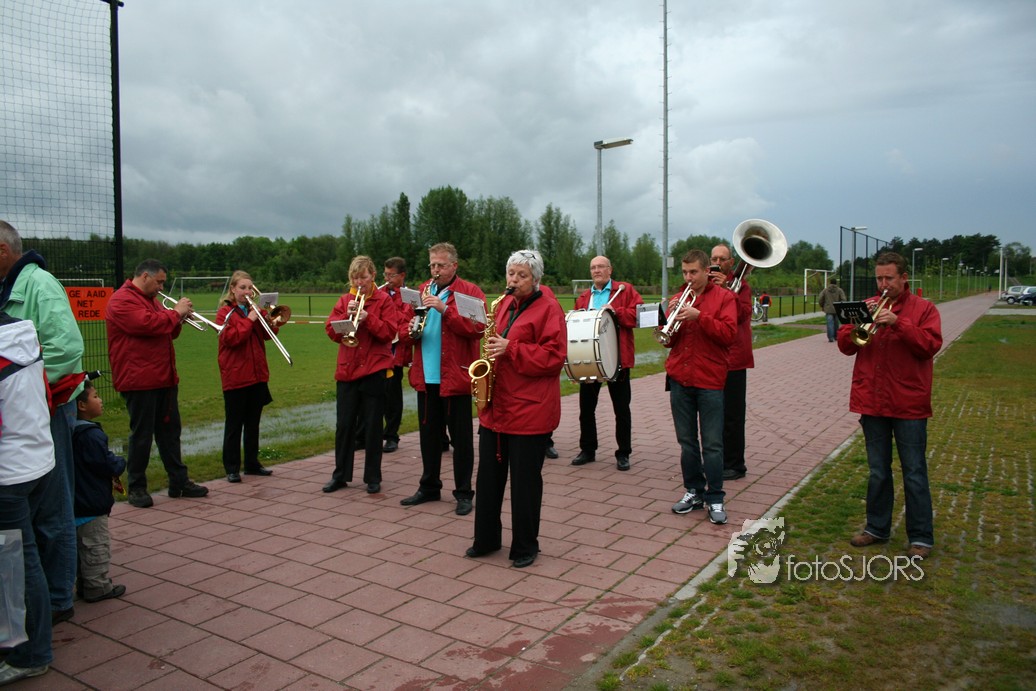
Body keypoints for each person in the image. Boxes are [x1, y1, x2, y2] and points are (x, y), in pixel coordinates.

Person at [0, 220, 81, 623]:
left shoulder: (40, 284)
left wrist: (23, 388)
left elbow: (66, 349)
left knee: (53, 506)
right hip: (18, 412)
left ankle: (58, 597)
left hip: (47, 409)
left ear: (3, 251)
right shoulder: (10, 286)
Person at [838, 252, 941, 559]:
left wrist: (898, 323)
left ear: (904, 278)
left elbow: (929, 346)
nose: (883, 284)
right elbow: (845, 346)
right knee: (878, 471)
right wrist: (859, 322)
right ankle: (877, 528)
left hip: (908, 403)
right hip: (873, 401)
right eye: (879, 278)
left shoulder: (924, 309)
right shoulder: (867, 305)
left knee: (914, 471)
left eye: (889, 278)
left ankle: (920, 537)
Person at [466, 249, 566, 568]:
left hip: (530, 410)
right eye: (511, 273)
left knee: (525, 485)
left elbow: (554, 358)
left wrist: (512, 348)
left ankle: (525, 546)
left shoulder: (549, 308)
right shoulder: (504, 304)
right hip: (497, 408)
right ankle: (486, 539)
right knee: (488, 480)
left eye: (522, 275)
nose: (514, 280)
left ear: (535, 279)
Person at [104, 259, 209, 508]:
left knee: (171, 433)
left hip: (163, 377)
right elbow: (148, 325)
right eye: (159, 282)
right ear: (145, 277)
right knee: (142, 435)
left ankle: (178, 481)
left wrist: (178, 319)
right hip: (139, 380)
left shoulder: (151, 299)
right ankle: (136, 487)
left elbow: (167, 330)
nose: (162, 287)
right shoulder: (121, 300)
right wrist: (176, 313)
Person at [398, 242, 485, 516]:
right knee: (429, 437)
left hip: (456, 376)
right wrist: (409, 330)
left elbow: (478, 328)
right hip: (426, 376)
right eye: (432, 265)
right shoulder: (422, 290)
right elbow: (401, 327)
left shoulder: (469, 292)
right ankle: (429, 486)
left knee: (461, 440)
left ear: (454, 266)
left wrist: (445, 310)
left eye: (441, 265)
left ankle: (464, 492)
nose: (435, 270)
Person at [0, 311, 56, 685]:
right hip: (37, 459)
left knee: (17, 567)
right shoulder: (23, 336)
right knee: (25, 559)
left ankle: (31, 653)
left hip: (9, 474)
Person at [663, 249, 737, 524]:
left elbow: (729, 335)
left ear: (707, 271)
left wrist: (699, 316)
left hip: (709, 380)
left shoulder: (725, 298)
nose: (688, 277)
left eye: (693, 272)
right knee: (686, 442)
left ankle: (715, 497)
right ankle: (693, 491)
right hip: (680, 378)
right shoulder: (680, 298)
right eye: (685, 272)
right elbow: (668, 341)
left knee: (713, 444)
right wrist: (670, 319)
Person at [323, 256, 396, 495]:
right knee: (344, 426)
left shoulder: (384, 300)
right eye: (355, 278)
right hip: (348, 370)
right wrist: (346, 317)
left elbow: (389, 333)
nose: (359, 282)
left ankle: (373, 477)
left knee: (373, 426)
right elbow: (330, 330)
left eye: (363, 277)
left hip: (374, 370)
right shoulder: (345, 300)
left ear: (373, 275)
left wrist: (368, 318)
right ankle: (340, 475)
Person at [570, 256, 643, 471]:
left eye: (601, 266)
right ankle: (587, 449)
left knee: (621, 409)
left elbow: (639, 316)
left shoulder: (624, 291)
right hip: (590, 358)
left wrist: (617, 312)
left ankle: (623, 453)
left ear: (610, 270)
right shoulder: (584, 297)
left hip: (617, 358)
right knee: (586, 409)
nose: (597, 270)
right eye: (593, 267)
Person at [215, 271, 276, 483]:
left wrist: (269, 320)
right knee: (234, 424)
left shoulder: (254, 310)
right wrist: (250, 319)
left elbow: (268, 335)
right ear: (233, 289)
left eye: (250, 288)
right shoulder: (224, 313)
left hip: (257, 374)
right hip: (236, 376)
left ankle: (252, 463)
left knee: (253, 423)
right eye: (242, 288)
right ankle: (231, 467)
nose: (247, 292)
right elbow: (231, 339)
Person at [71, 380, 127, 604]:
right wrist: (119, 462)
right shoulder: (90, 435)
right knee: (96, 546)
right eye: (95, 396)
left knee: (80, 548)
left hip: (77, 501)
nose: (100, 400)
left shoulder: (69, 431)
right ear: (82, 405)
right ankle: (97, 586)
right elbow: (104, 463)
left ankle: (84, 583)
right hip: (92, 502)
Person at [710, 244, 754, 481]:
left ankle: (736, 464)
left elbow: (743, 314)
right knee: (712, 413)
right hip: (713, 356)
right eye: (714, 258)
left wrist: (727, 290)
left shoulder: (741, 286)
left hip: (734, 358)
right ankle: (716, 459)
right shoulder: (706, 284)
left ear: (731, 262)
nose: (717, 262)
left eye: (722, 259)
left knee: (733, 414)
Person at [381, 257, 410, 453]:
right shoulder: (379, 293)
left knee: (392, 395)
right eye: (386, 274)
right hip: (378, 351)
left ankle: (391, 435)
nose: (387, 279)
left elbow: (406, 319)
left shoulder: (409, 296)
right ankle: (364, 434)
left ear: (402, 276)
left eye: (391, 275)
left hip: (396, 351)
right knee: (374, 394)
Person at [818, 278, 847, 343]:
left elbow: (820, 298)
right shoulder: (839, 290)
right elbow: (843, 299)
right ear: (836, 283)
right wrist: (841, 306)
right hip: (837, 309)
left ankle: (830, 337)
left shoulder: (825, 290)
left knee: (830, 324)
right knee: (836, 323)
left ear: (830, 283)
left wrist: (822, 306)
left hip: (828, 309)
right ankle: (836, 336)